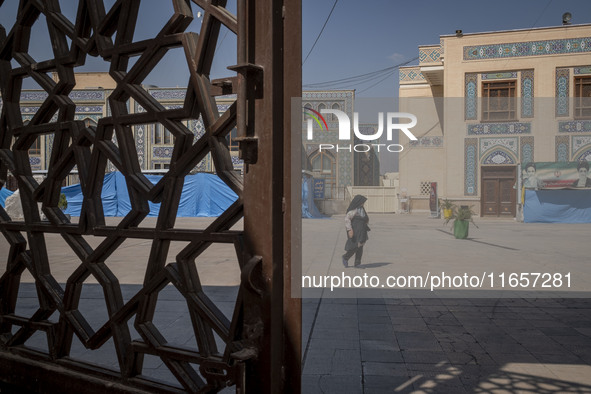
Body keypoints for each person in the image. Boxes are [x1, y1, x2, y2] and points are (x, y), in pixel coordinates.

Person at [342, 195, 370, 268]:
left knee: (360, 246)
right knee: (355, 246)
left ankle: (357, 263)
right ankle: (345, 257)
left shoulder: (361, 209)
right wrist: (349, 230)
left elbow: (365, 218)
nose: (363, 204)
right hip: (355, 230)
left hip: (362, 230)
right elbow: (347, 219)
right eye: (362, 202)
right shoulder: (353, 210)